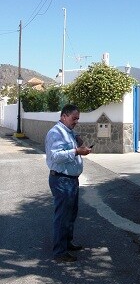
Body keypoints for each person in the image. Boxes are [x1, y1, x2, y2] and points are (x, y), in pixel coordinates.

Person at [45, 104, 91, 263]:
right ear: (64, 116)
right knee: (63, 216)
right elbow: (56, 156)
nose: (76, 121)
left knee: (70, 214)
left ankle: (67, 243)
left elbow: (71, 138)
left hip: (70, 180)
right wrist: (77, 151)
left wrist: (77, 139)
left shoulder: (68, 131)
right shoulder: (55, 133)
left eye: (78, 119)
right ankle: (59, 252)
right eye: (74, 118)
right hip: (61, 180)